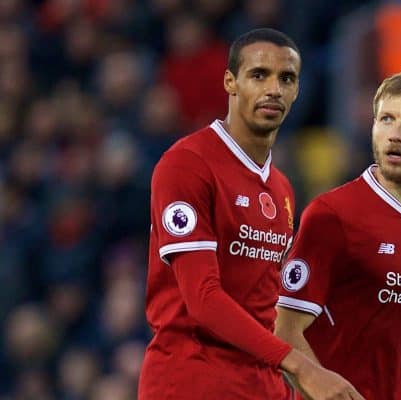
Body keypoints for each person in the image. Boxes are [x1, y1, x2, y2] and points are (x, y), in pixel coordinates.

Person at [138, 28, 364, 400]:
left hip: (262, 385)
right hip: (191, 381)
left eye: (286, 78)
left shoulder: (282, 189)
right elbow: (203, 299)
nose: (273, 88)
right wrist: (301, 367)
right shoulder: (188, 164)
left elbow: (265, 307)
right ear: (231, 82)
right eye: (259, 75)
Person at [275, 70, 401, 400]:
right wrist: (322, 387)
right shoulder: (332, 215)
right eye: (386, 119)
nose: (395, 134)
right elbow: (283, 330)